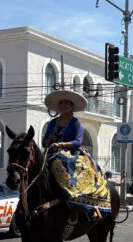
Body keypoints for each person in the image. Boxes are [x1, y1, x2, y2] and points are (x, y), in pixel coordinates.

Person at [41, 89, 109, 221]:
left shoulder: (76, 123)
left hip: (71, 154)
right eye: (61, 103)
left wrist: (61, 145)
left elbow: (78, 142)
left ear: (72, 106)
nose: (64, 106)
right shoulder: (52, 123)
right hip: (51, 153)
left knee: (68, 165)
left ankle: (79, 200)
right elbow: (44, 143)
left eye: (67, 103)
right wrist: (50, 140)